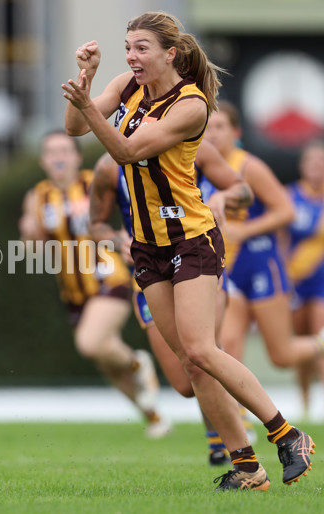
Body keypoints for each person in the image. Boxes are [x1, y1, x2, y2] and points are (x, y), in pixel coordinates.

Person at [61, 11, 315, 491]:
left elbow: (127, 151)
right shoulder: (125, 85)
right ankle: (247, 467)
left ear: (169, 53)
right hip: (147, 245)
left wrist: (91, 108)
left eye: (141, 48)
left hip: (191, 238)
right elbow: (75, 127)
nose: (131, 57)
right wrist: (87, 80)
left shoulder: (191, 105)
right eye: (128, 47)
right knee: (189, 365)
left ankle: (287, 434)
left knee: (202, 348)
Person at [89, 140, 256, 466]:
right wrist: (118, 239)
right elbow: (95, 224)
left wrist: (224, 196)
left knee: (205, 354)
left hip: (199, 264)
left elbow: (243, 190)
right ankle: (225, 434)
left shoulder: (196, 149)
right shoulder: (109, 167)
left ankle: (241, 442)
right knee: (184, 383)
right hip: (151, 275)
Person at [19, 129, 171, 438]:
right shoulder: (37, 197)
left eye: (64, 151)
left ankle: (138, 362)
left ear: (76, 157)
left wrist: (126, 242)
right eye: (52, 152)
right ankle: (154, 417)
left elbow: (125, 215)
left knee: (90, 343)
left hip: (108, 276)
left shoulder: (94, 181)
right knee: (107, 364)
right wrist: (28, 235)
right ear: (43, 161)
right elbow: (33, 252)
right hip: (74, 290)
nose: (58, 157)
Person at [204, 103, 324, 372]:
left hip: (261, 263)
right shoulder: (198, 166)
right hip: (227, 267)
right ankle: (239, 414)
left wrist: (244, 231)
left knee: (281, 357)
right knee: (228, 346)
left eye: (220, 127)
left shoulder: (249, 166)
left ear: (236, 132)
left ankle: (320, 343)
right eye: (207, 128)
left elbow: (286, 211)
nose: (212, 134)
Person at [280, 139, 324, 419]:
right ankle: (305, 401)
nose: (316, 168)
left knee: (320, 340)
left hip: (322, 280)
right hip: (295, 279)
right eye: (311, 162)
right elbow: (280, 238)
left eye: (321, 163)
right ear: (302, 166)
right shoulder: (288, 196)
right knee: (301, 344)